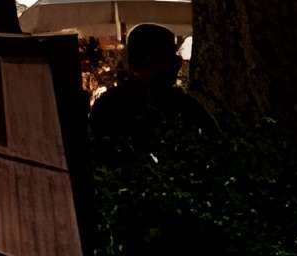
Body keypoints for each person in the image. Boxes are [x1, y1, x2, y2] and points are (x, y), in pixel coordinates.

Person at [89, 23, 211, 160]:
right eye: (172, 55)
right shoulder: (181, 105)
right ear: (153, 59)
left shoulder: (108, 104)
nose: (178, 62)